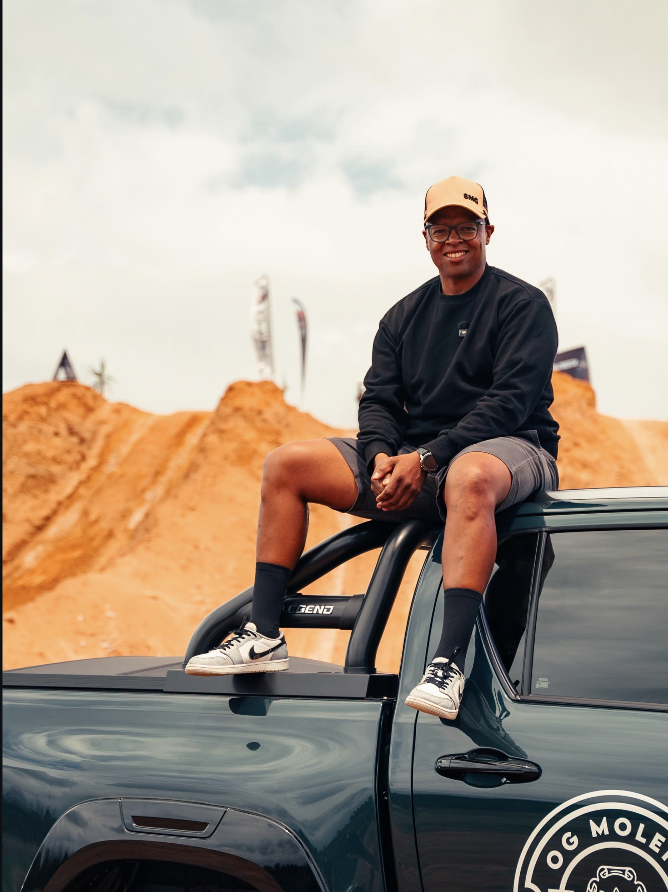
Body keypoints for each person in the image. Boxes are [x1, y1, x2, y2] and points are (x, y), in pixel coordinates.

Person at [187, 176, 560, 719]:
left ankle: (448, 665)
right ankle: (263, 635)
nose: (454, 239)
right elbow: (379, 399)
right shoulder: (403, 317)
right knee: (286, 465)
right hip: (418, 462)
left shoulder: (522, 305)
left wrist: (426, 458)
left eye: (467, 227)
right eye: (441, 229)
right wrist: (380, 458)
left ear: (488, 232)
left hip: (510, 450)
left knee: (470, 476)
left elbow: (509, 402)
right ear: (425, 238)